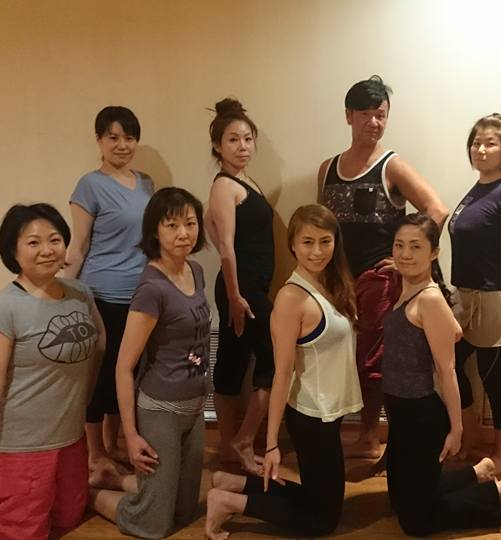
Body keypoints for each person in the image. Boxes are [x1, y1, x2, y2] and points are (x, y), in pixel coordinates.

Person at [0, 204, 105, 540]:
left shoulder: (81, 294)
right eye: (34, 242)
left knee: (68, 518)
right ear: (13, 252)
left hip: (70, 438)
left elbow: (99, 343)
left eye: (54, 239)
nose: (47, 250)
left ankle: (0, 493)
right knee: (22, 534)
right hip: (21, 446)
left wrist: (85, 400)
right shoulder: (2, 309)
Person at [204, 204, 362, 540]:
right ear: (292, 244)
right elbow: (281, 374)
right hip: (310, 414)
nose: (317, 251)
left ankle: (232, 484)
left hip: (327, 410)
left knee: (320, 499)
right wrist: (272, 443)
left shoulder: (330, 284)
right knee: (322, 521)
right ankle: (228, 501)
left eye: (325, 241)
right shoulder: (292, 298)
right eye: (307, 242)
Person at [317, 75, 449, 461]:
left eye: (380, 115)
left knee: (374, 361)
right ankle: (354, 431)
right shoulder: (327, 168)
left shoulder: (392, 166)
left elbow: (437, 210)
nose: (373, 122)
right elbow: (322, 226)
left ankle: (371, 435)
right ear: (348, 116)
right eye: (365, 114)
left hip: (379, 281)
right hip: (337, 280)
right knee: (340, 355)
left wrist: (407, 259)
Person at [384, 213, 501, 536]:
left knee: (416, 523)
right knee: (399, 501)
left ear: (434, 253)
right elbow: (453, 329)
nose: (405, 254)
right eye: (399, 245)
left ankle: (498, 492)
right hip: (400, 410)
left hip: (421, 414)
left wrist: (457, 430)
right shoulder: (408, 288)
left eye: (416, 246)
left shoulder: (429, 298)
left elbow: (448, 371)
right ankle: (479, 472)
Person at [89, 187, 211, 539]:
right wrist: (130, 436)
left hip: (194, 407)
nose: (183, 233)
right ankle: (89, 494)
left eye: (190, 223)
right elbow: (123, 367)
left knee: (184, 511)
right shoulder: (151, 289)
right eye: (172, 225)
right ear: (155, 231)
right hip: (161, 410)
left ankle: (116, 480)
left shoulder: (196, 271)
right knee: (152, 524)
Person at [64, 105, 155, 487]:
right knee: (102, 376)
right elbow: (79, 245)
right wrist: (64, 294)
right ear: (99, 140)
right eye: (113, 137)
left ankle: (114, 443)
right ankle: (96, 454)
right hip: (102, 293)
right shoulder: (89, 185)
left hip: (142, 294)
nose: (122, 145)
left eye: (129, 137)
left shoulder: (146, 183)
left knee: (129, 371)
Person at [448, 113, 501, 472]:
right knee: (449, 364)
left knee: (495, 381)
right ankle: (469, 437)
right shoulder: (478, 189)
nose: (480, 149)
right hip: (465, 297)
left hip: (494, 300)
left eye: (490, 143)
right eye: (476, 142)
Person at [205, 98, 275, 474]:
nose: (242, 146)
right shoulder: (224, 186)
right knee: (275, 358)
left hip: (250, 285)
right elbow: (226, 248)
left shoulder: (246, 181)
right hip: (242, 289)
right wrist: (234, 296)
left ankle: (229, 446)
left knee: (231, 362)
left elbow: (210, 224)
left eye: (247, 139)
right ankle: (244, 441)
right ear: (218, 146)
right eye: (233, 140)